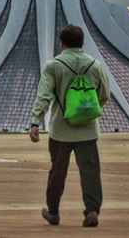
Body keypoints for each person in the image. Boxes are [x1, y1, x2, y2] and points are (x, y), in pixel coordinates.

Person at [28, 24, 110, 228]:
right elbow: (105, 95)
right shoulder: (95, 65)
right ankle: (91, 211)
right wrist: (88, 111)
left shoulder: (54, 66)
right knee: (90, 173)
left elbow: (44, 95)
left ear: (62, 43)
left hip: (60, 131)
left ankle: (54, 212)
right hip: (88, 130)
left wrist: (35, 121)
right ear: (82, 43)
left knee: (57, 172)